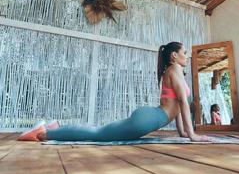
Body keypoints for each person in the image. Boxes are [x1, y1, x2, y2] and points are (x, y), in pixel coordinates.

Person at [18, 42, 211, 142]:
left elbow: (177, 107)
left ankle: (55, 128)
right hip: (148, 119)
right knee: (98, 134)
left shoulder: (174, 71)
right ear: (174, 56)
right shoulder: (174, 69)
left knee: (99, 131)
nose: (187, 56)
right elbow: (183, 104)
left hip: (150, 117)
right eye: (184, 52)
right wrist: (192, 135)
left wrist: (184, 132)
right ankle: (44, 133)